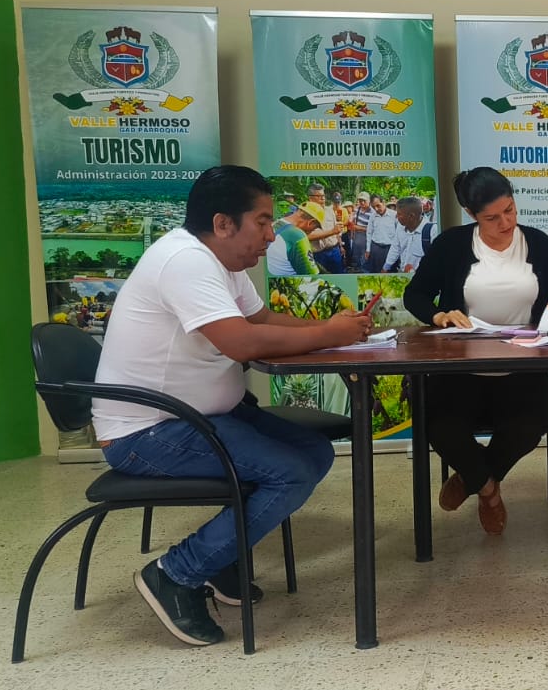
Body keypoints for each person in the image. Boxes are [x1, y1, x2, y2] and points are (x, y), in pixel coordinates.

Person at [94, 165, 370, 646]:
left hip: (200, 418)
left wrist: (334, 329)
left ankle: (218, 558)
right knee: (291, 473)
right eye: (262, 222)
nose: (272, 234)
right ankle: (175, 573)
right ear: (223, 224)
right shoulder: (186, 261)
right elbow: (241, 342)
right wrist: (329, 334)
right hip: (148, 432)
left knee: (315, 452)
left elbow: (261, 320)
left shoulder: (223, 263)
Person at [403, 167, 548, 535]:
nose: (505, 223)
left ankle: (472, 478)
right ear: (471, 214)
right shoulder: (451, 245)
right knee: (439, 426)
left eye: (510, 210)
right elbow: (415, 294)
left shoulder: (538, 243)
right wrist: (438, 315)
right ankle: (489, 491)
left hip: (523, 371)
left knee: (528, 427)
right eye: (492, 218)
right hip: (459, 371)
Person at [265, 201, 324, 276]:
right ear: (311, 222)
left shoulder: (276, 224)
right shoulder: (297, 236)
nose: (312, 231)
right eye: (314, 228)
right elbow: (312, 275)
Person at [382, 197, 428, 273]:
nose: (396, 217)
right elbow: (395, 248)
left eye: (399, 214)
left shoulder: (432, 231)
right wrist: (386, 267)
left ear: (411, 216)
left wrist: (413, 271)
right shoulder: (400, 227)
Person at [305, 183, 343, 272]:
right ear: (310, 198)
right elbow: (307, 236)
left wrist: (341, 246)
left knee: (338, 274)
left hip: (334, 250)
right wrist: (332, 231)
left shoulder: (329, 211)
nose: (323, 198)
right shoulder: (305, 214)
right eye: (319, 196)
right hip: (318, 254)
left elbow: (336, 230)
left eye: (323, 195)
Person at [365, 194, 398, 273]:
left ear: (383, 202)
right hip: (376, 248)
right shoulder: (373, 216)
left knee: (390, 273)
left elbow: (399, 235)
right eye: (373, 207)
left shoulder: (394, 215)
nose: (376, 209)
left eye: (378, 206)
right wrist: (368, 249)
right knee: (375, 273)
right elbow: (369, 233)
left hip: (390, 249)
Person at [346, 191, 372, 271]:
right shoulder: (357, 209)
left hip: (366, 237)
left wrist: (359, 228)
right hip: (357, 236)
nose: (362, 202)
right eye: (360, 200)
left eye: (364, 200)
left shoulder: (373, 212)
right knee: (356, 254)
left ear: (369, 201)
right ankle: (356, 269)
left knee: (364, 256)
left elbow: (373, 229)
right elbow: (352, 221)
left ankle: (363, 271)